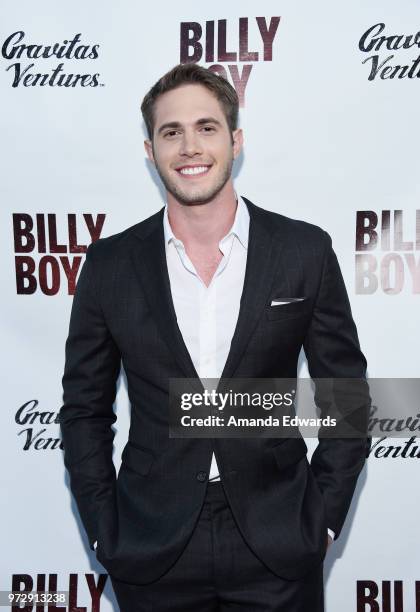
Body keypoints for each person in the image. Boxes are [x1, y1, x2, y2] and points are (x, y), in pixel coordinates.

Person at [59, 63, 370, 611]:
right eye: (170, 132)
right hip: (150, 544)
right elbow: (84, 408)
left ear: (236, 141)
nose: (189, 146)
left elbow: (346, 394)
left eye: (206, 127)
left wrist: (319, 522)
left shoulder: (303, 252)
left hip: (278, 541)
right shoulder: (109, 264)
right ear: (150, 150)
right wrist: (105, 528)